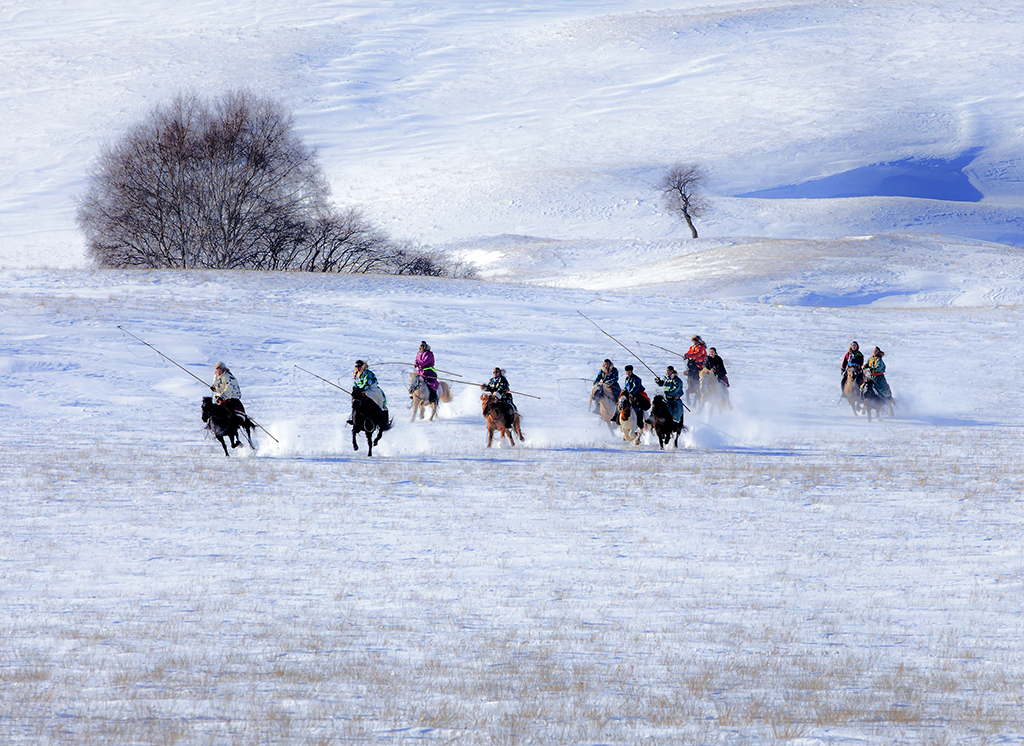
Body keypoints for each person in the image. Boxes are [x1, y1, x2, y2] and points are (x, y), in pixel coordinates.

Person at [211, 362, 248, 446]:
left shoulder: (228, 377)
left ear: (223, 369)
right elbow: (217, 387)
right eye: (217, 370)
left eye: (219, 370)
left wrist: (222, 397)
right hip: (221, 397)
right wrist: (214, 388)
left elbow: (229, 389)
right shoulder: (215, 377)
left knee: (231, 411)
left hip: (232, 396)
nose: (218, 372)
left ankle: (235, 425)